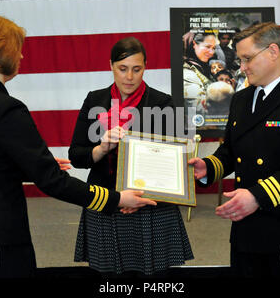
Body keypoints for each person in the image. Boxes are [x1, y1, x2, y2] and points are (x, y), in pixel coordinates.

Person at [0, 15, 155, 278]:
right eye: (16, 48)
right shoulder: (6, 107)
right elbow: (52, 182)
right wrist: (116, 198)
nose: (21, 56)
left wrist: (32, 169)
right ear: (0, 54)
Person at [188, 22, 280, 277]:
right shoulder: (242, 98)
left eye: (247, 59)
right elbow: (231, 151)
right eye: (240, 60)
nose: (242, 67)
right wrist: (207, 168)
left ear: (273, 51)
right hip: (246, 229)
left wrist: (257, 196)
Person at [69, 37, 193, 277]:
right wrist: (102, 148)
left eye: (136, 69)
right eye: (122, 69)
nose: (129, 77)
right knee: (110, 280)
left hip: (151, 207)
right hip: (105, 202)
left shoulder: (164, 103)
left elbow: (177, 166)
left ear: (145, 67)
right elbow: (76, 156)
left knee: (155, 280)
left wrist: (138, 199)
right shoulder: (95, 100)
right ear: (111, 66)